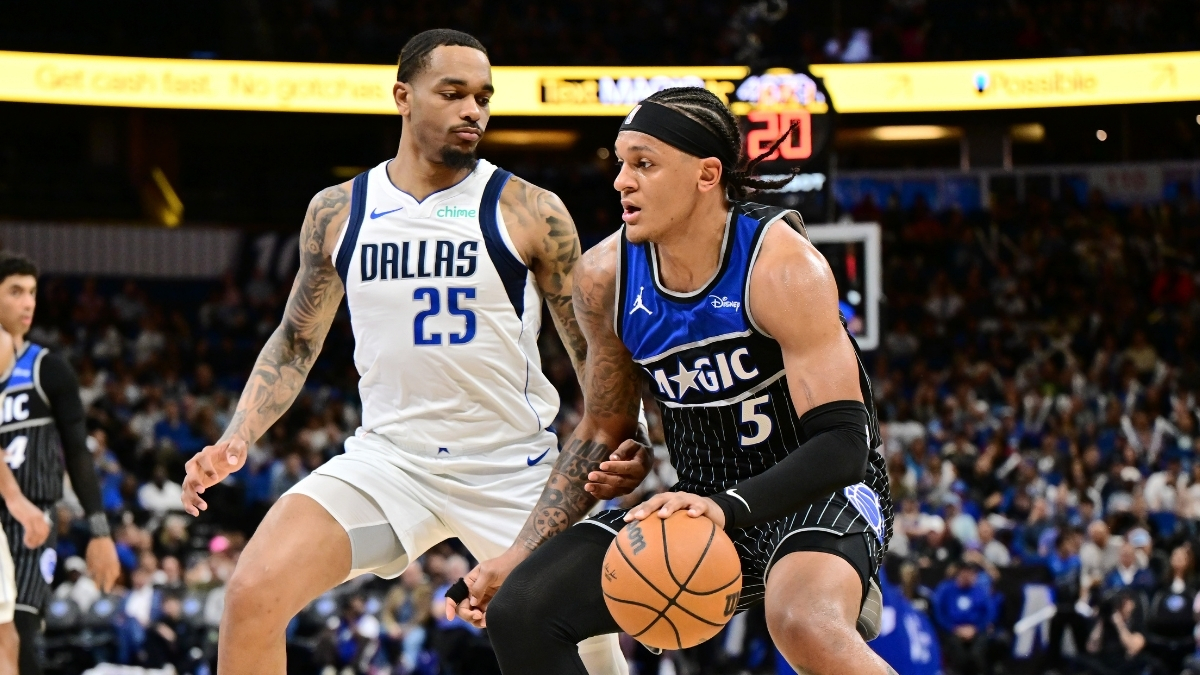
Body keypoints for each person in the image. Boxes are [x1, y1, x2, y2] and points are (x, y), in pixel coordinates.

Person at [179, 29, 645, 675]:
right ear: (402, 96)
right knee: (252, 592)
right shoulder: (338, 209)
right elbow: (295, 336)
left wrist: (626, 443)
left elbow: (593, 352)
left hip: (511, 467)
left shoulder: (530, 209)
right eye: (452, 93)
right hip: (390, 461)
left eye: (483, 96)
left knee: (588, 650)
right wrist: (238, 435)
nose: (472, 110)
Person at [464, 87, 895, 675]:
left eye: (644, 163)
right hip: (695, 499)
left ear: (706, 174)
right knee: (523, 610)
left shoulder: (782, 266)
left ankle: (835, 579)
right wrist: (519, 552)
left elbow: (845, 444)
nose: (621, 181)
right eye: (620, 162)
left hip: (815, 493)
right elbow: (602, 428)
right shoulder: (603, 277)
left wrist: (728, 507)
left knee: (802, 621)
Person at [0, 254, 120, 674]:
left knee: (24, 628)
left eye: (32, 292)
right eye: (15, 292)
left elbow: (78, 452)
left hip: (33, 520)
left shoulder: (46, 368)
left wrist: (99, 529)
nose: (28, 303)